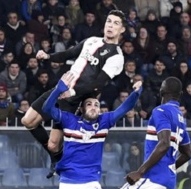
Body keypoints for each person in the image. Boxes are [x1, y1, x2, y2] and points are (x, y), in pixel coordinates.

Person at [22, 10, 126, 177]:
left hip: (75, 99)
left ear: (122, 30)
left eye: (116, 23)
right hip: (61, 89)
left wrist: (73, 91)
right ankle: (55, 158)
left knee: (53, 144)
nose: (110, 26)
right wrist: (48, 56)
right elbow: (69, 54)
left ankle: (61, 160)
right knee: (27, 121)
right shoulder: (92, 41)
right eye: (109, 21)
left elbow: (97, 85)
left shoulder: (117, 57)